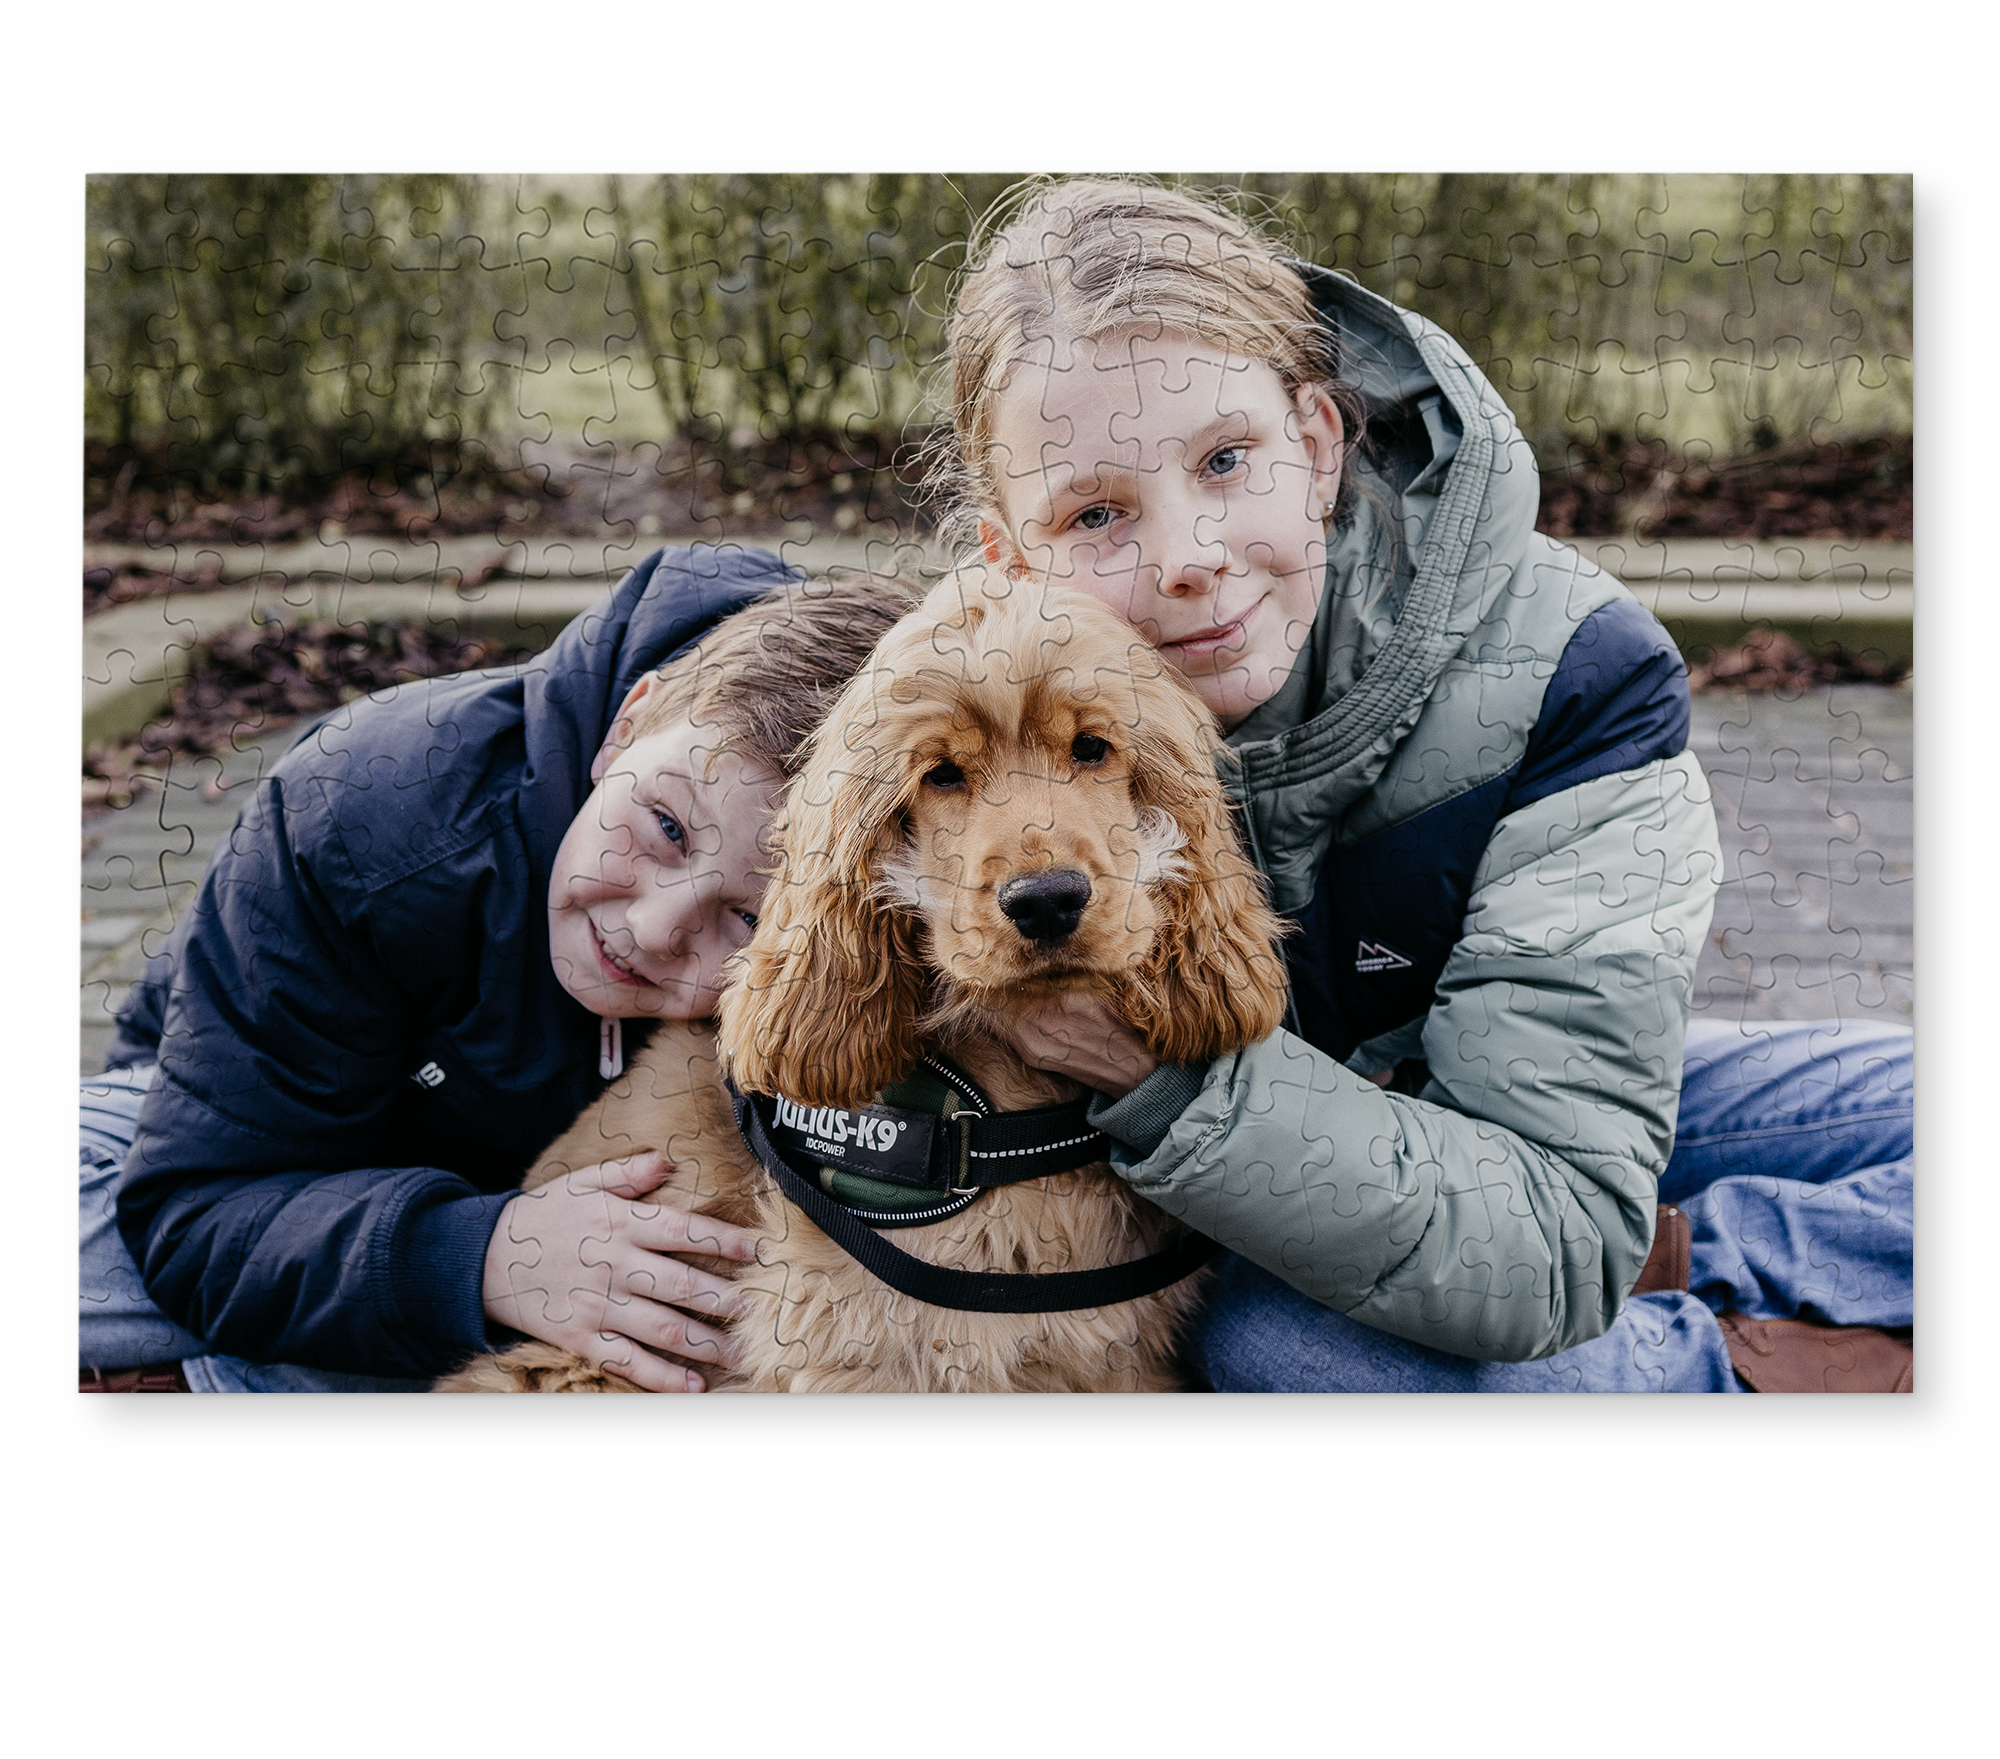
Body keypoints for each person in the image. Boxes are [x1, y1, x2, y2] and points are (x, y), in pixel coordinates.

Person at [938, 177, 1913, 1394]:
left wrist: (1162, 1066)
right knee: (1290, 1349)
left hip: (1495, 1112)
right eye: (1094, 513)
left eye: (1227, 458)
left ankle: (1690, 1263)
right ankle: (1747, 1369)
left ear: (1318, 437)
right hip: (1248, 1220)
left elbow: (1553, 1235)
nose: (1186, 559)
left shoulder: (1573, 669)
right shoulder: (958, 715)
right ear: (1007, 551)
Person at [78, 551, 920, 1393]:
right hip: (287, 1166)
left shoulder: (881, 935)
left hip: (594, 1261)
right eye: (664, 825)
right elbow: (197, 1208)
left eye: (749, 917)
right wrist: (484, 1257)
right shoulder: (367, 812)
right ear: (629, 724)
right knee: (92, 1238)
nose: (656, 927)